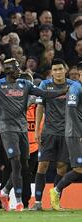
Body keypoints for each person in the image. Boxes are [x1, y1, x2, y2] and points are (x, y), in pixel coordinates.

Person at [0, 58, 68, 212]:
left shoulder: (25, 84)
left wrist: (62, 91)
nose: (19, 70)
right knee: (15, 163)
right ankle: (19, 202)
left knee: (24, 166)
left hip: (22, 130)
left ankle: (4, 191)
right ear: (8, 70)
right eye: (15, 68)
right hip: (8, 130)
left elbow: (43, 93)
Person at [31, 58, 74, 210]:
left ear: (65, 70)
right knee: (42, 165)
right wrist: (37, 130)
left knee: (62, 167)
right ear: (51, 72)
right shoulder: (45, 85)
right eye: (55, 70)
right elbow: (40, 108)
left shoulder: (73, 86)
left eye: (60, 69)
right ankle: (37, 202)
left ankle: (56, 202)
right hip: (48, 131)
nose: (58, 72)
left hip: (66, 133)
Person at [50, 73, 82, 211]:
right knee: (79, 169)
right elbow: (71, 108)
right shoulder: (76, 87)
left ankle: (56, 190)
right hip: (75, 134)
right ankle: (56, 190)